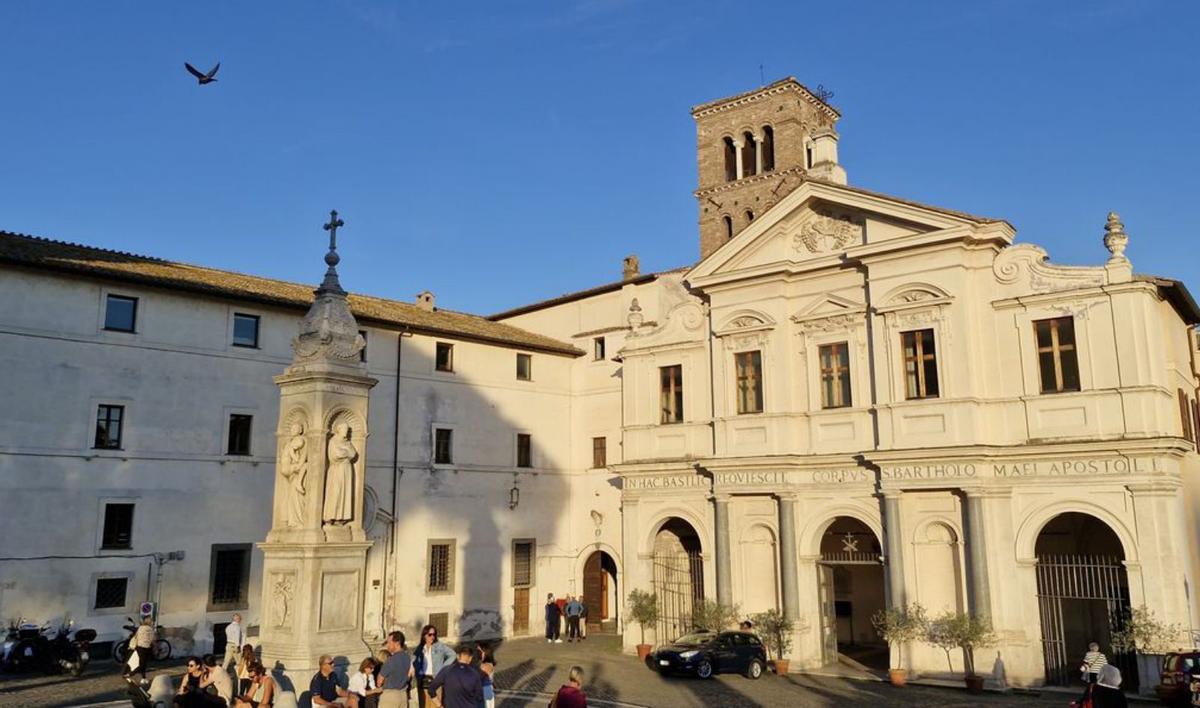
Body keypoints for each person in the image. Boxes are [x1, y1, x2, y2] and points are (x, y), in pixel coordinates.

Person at [412, 624, 455, 708]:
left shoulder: (439, 646)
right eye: (430, 634)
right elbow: (414, 659)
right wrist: (416, 670)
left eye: (434, 634)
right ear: (424, 635)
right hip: (422, 679)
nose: (432, 637)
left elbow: (453, 654)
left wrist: (443, 668)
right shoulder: (420, 648)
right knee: (423, 705)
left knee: (435, 705)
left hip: (435, 678)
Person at [377, 630, 412, 708]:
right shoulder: (407, 658)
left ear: (397, 643)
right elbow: (410, 674)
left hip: (390, 696)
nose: (387, 645)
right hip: (403, 695)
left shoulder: (391, 659)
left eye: (389, 642)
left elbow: (379, 680)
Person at [471, 642, 496, 708]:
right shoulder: (482, 664)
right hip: (484, 690)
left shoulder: (487, 665)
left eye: (479, 651)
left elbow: (477, 678)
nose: (477, 653)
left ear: (485, 653)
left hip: (484, 691)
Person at [132, 616, 156, 681]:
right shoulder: (150, 629)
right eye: (151, 621)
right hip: (145, 648)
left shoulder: (140, 627)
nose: (152, 622)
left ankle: (135, 673)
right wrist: (155, 646)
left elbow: (136, 636)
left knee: (140, 661)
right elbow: (153, 639)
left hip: (139, 646)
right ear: (149, 622)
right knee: (143, 663)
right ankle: (142, 677)